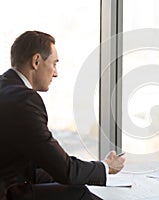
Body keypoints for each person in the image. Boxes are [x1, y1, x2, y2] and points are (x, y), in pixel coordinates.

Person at [0, 30, 125, 200]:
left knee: (70, 182)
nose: (56, 73)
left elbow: (46, 161)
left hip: (14, 177)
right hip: (8, 191)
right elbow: (65, 170)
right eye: (54, 64)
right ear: (36, 61)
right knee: (79, 193)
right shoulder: (25, 100)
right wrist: (106, 167)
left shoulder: (5, 88)